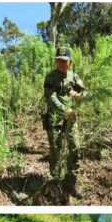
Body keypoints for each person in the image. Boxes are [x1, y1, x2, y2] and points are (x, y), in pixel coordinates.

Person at [42, 45, 87, 198]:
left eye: (64, 61)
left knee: (75, 147)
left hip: (71, 119)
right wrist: (63, 110)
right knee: (56, 150)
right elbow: (51, 97)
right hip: (55, 118)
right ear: (56, 61)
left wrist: (78, 94)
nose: (61, 63)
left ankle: (70, 182)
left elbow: (85, 91)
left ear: (70, 62)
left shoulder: (74, 77)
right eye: (58, 60)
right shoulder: (50, 77)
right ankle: (55, 183)